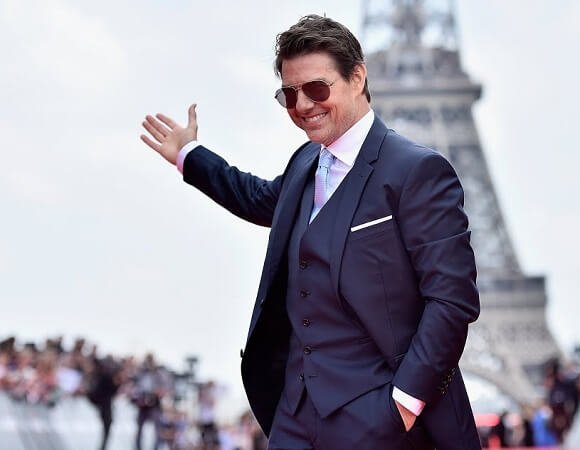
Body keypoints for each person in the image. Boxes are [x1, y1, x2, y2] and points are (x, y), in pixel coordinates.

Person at [140, 14, 480, 450]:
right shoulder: (305, 162)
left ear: (357, 78)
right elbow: (257, 198)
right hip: (295, 416)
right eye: (289, 94)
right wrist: (188, 154)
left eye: (317, 89)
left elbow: (451, 299)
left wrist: (404, 404)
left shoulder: (416, 170)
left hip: (381, 416)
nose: (302, 105)